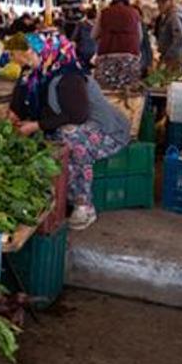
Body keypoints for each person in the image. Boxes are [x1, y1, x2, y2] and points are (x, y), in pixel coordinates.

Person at [10, 35, 130, 230]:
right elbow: (20, 103)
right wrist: (14, 115)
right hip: (70, 126)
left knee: (68, 135)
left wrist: (36, 126)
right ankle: (60, 195)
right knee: (50, 137)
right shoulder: (34, 74)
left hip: (107, 131)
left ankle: (84, 206)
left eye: (29, 52)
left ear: (47, 52)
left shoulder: (69, 76)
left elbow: (77, 115)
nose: (23, 57)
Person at [93, 0, 142, 88]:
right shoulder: (135, 13)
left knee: (106, 89)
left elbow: (93, 35)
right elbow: (140, 37)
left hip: (107, 55)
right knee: (128, 89)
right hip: (129, 55)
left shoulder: (104, 12)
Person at [154, 0, 182, 72]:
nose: (158, 7)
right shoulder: (170, 15)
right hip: (172, 57)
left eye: (160, 3)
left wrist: (168, 56)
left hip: (173, 59)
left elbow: (179, 39)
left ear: (168, 2)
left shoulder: (174, 16)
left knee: (171, 82)